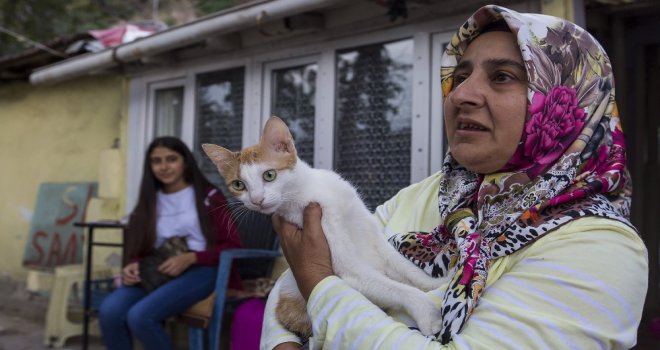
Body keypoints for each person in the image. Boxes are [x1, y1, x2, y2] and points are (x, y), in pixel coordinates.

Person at [261, 4, 648, 350]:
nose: (462, 93)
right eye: (460, 75)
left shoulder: (599, 247)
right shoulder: (425, 195)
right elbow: (287, 289)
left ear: (567, 104)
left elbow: (309, 271)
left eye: (502, 77)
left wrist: (319, 284)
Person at [99, 136, 243, 350]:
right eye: (157, 161)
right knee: (110, 310)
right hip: (157, 271)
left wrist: (192, 257)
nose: (164, 166)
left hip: (203, 270)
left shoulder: (209, 196)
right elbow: (140, 246)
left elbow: (233, 246)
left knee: (140, 317)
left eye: (171, 159)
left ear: (185, 161)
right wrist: (133, 264)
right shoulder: (150, 200)